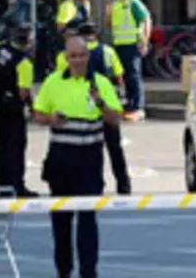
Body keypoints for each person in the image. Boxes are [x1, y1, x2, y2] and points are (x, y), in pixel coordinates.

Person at [33, 36, 123, 278]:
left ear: (88, 56)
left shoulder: (100, 83)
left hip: (89, 161)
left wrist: (100, 104)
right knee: (61, 221)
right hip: (61, 160)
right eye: (72, 56)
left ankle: (88, 272)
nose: (77, 60)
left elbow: (115, 119)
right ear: (65, 57)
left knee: (87, 219)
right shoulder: (53, 82)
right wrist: (52, 119)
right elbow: (38, 114)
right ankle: (63, 271)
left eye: (82, 55)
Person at [55, 22, 132, 195]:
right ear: (96, 34)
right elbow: (119, 77)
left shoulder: (65, 55)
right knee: (114, 147)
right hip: (104, 104)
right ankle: (123, 185)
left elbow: (61, 79)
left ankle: (88, 184)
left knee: (85, 150)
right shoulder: (107, 51)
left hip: (80, 109)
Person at [0, 24, 38, 198]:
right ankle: (17, 186)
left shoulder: (0, 47)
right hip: (11, 108)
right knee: (16, 146)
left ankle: (3, 186)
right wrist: (33, 108)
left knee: (0, 147)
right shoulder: (24, 62)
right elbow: (24, 92)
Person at [107, 0, 152, 122]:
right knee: (125, 75)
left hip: (132, 44)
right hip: (119, 45)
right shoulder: (115, 4)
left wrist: (145, 41)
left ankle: (138, 107)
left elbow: (146, 20)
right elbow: (110, 24)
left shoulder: (133, 3)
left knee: (134, 75)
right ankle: (130, 105)